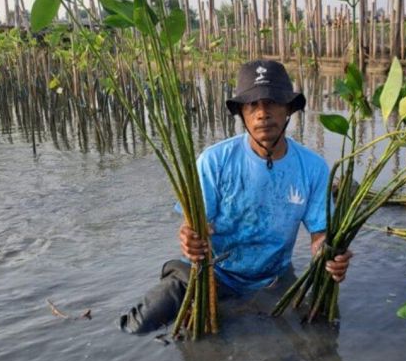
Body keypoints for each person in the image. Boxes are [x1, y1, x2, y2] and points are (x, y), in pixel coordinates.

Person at [120, 60, 352, 334]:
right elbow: (193, 225)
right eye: (252, 104)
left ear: (289, 108)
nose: (263, 113)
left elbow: (319, 235)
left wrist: (329, 256)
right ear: (242, 112)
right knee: (137, 326)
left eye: (273, 102)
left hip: (272, 280)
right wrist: (189, 238)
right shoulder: (214, 161)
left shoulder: (313, 168)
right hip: (210, 274)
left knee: (320, 328)